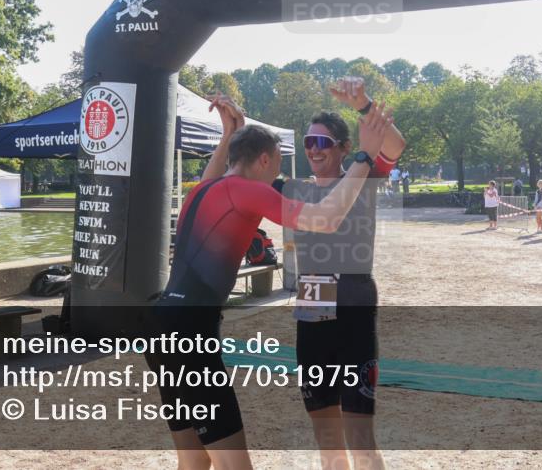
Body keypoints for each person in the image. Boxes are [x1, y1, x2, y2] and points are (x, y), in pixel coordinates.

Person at [151, 93, 393, 470]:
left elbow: (218, 172)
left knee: (194, 459)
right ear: (264, 160)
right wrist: (365, 156)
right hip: (192, 331)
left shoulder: (202, 190)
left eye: (320, 143)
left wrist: (230, 133)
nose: (279, 172)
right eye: (279, 162)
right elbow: (326, 219)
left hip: (164, 325)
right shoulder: (255, 190)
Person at [279, 77, 405, 470]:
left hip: (354, 312)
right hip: (311, 318)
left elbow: (395, 146)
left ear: (345, 148)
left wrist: (365, 104)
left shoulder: (363, 177)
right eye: (308, 143)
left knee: (361, 440)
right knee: (328, 443)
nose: (314, 150)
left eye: (323, 142)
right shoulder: (293, 189)